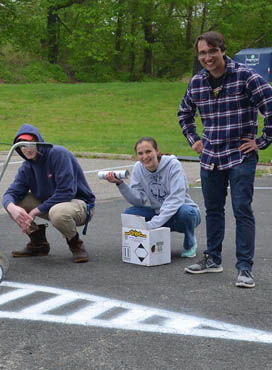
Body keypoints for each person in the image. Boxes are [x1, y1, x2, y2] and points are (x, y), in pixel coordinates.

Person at [178, 31, 272, 288]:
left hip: (240, 155)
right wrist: (194, 140)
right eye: (202, 53)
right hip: (210, 157)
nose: (207, 57)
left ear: (222, 50)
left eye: (211, 51)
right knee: (213, 210)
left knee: (242, 210)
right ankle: (213, 259)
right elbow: (184, 113)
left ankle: (245, 268)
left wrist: (261, 141)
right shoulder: (197, 82)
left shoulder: (246, 77)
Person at [2, 123, 95, 263]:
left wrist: (34, 212)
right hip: (50, 204)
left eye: (31, 143)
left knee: (57, 213)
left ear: (39, 142)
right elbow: (11, 193)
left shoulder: (58, 154)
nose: (27, 149)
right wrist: (11, 207)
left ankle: (75, 244)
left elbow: (66, 192)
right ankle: (38, 244)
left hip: (78, 204)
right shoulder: (26, 167)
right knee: (16, 204)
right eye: (22, 145)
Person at [105, 137, 201, 258]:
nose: (145, 157)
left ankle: (190, 243)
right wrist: (121, 184)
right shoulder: (138, 168)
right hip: (158, 213)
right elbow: (138, 200)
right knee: (130, 214)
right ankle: (143, 245)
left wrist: (153, 224)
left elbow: (176, 199)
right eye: (140, 153)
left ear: (157, 151)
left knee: (187, 213)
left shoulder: (173, 165)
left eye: (148, 151)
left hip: (180, 214)